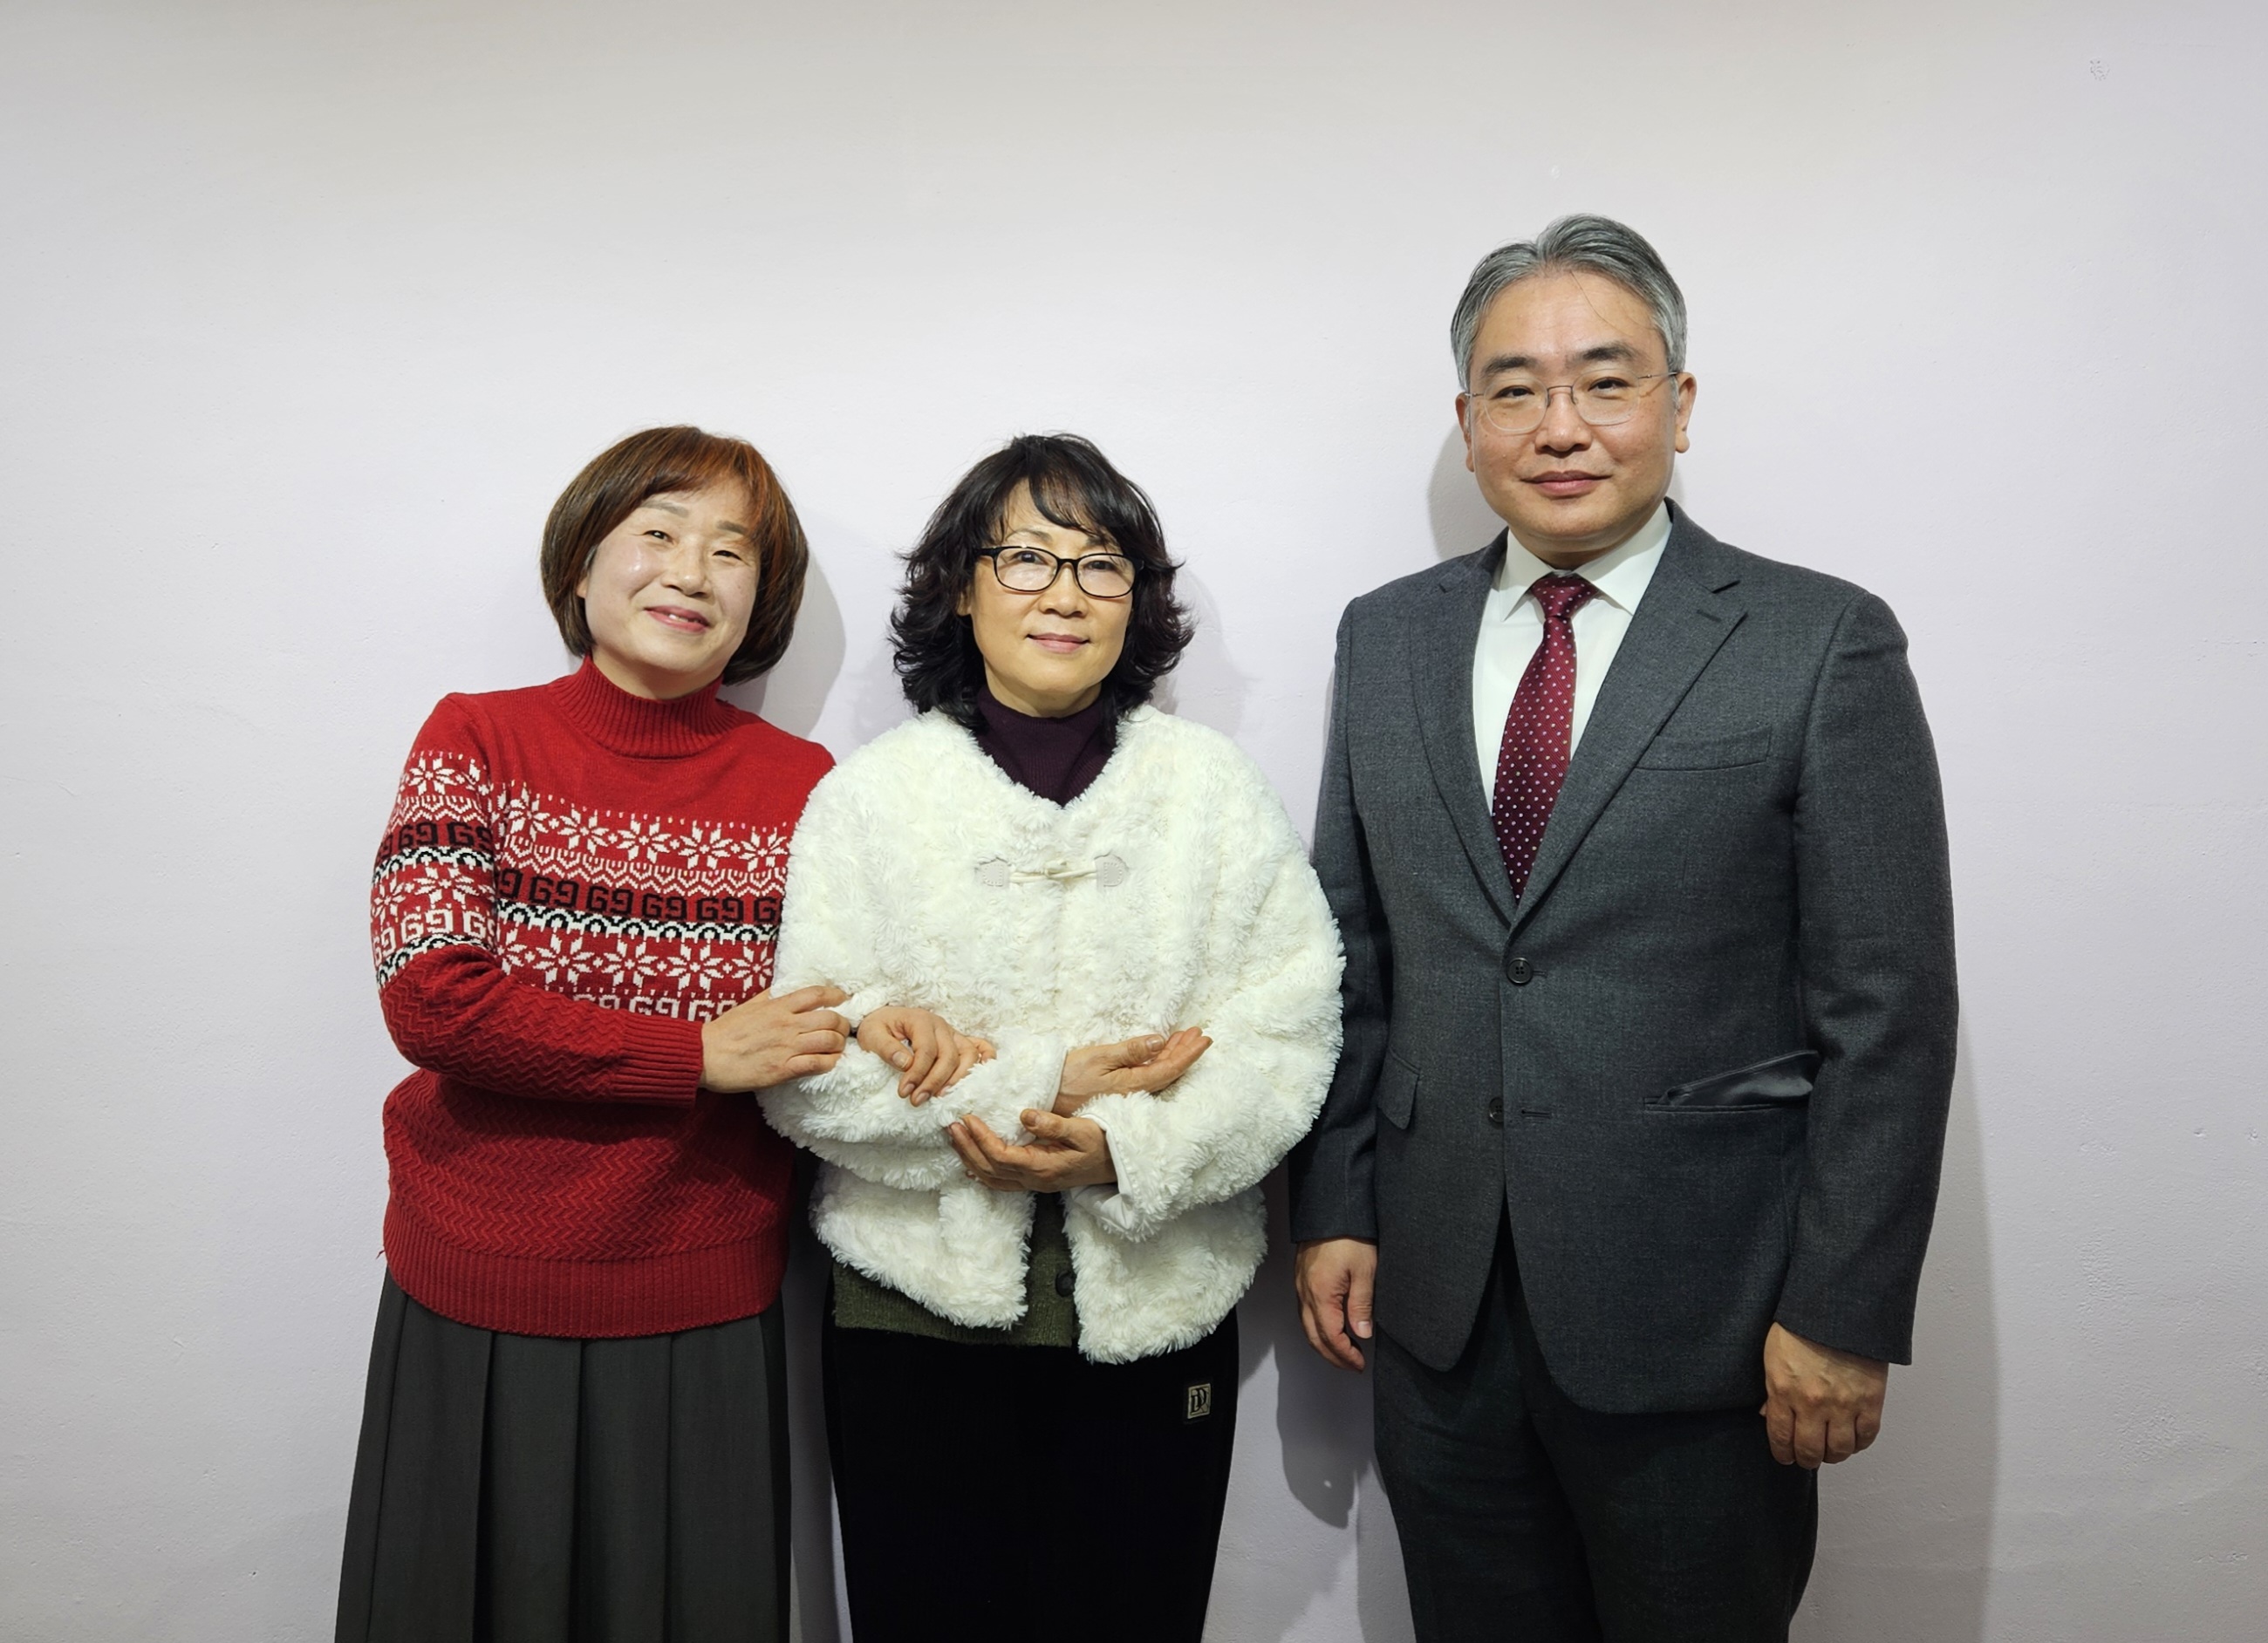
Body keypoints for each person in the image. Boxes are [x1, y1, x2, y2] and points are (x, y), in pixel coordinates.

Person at [1288, 215, 1958, 1641]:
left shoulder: (1819, 642)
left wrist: (1843, 1310)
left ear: (1680, 403)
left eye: (1606, 381)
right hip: (1438, 1315)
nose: (1561, 426)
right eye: (1516, 388)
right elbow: (1351, 953)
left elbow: (1888, 1013)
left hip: (1709, 1323)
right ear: (1467, 422)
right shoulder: (1384, 637)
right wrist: (1337, 1205)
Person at [759, 433, 1342, 1643]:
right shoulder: (869, 800)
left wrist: (1124, 1152)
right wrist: (1045, 1087)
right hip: (911, 1312)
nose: (1065, 594)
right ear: (960, 589)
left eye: (1102, 564)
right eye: (1026, 558)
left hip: (1157, 1303)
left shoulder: (1214, 794)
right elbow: (809, 1065)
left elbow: (1288, 1036)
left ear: (1139, 600)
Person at [337, 426, 854, 1643]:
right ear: (581, 564)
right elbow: (433, 998)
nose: (691, 570)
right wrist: (694, 1056)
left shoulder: (807, 784)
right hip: (477, 1284)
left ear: (761, 602)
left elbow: (840, 1008)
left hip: (705, 1293)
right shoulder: (477, 736)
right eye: (659, 532)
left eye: (732, 552)